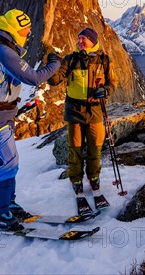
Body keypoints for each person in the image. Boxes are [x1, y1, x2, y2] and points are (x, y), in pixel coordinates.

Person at [0, 9, 61, 230]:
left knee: (4, 161)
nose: (29, 32)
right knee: (9, 162)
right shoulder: (4, 52)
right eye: (25, 29)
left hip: (0, 114)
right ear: (13, 30)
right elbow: (34, 78)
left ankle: (7, 203)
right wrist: (55, 64)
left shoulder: (0, 47)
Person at [48, 27, 118, 195]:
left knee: (95, 147)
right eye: (78, 39)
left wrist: (107, 90)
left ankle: (94, 177)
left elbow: (113, 82)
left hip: (95, 112)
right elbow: (54, 80)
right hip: (74, 111)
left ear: (92, 41)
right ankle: (76, 180)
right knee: (75, 149)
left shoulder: (105, 61)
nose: (79, 42)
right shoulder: (70, 60)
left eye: (83, 39)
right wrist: (52, 64)